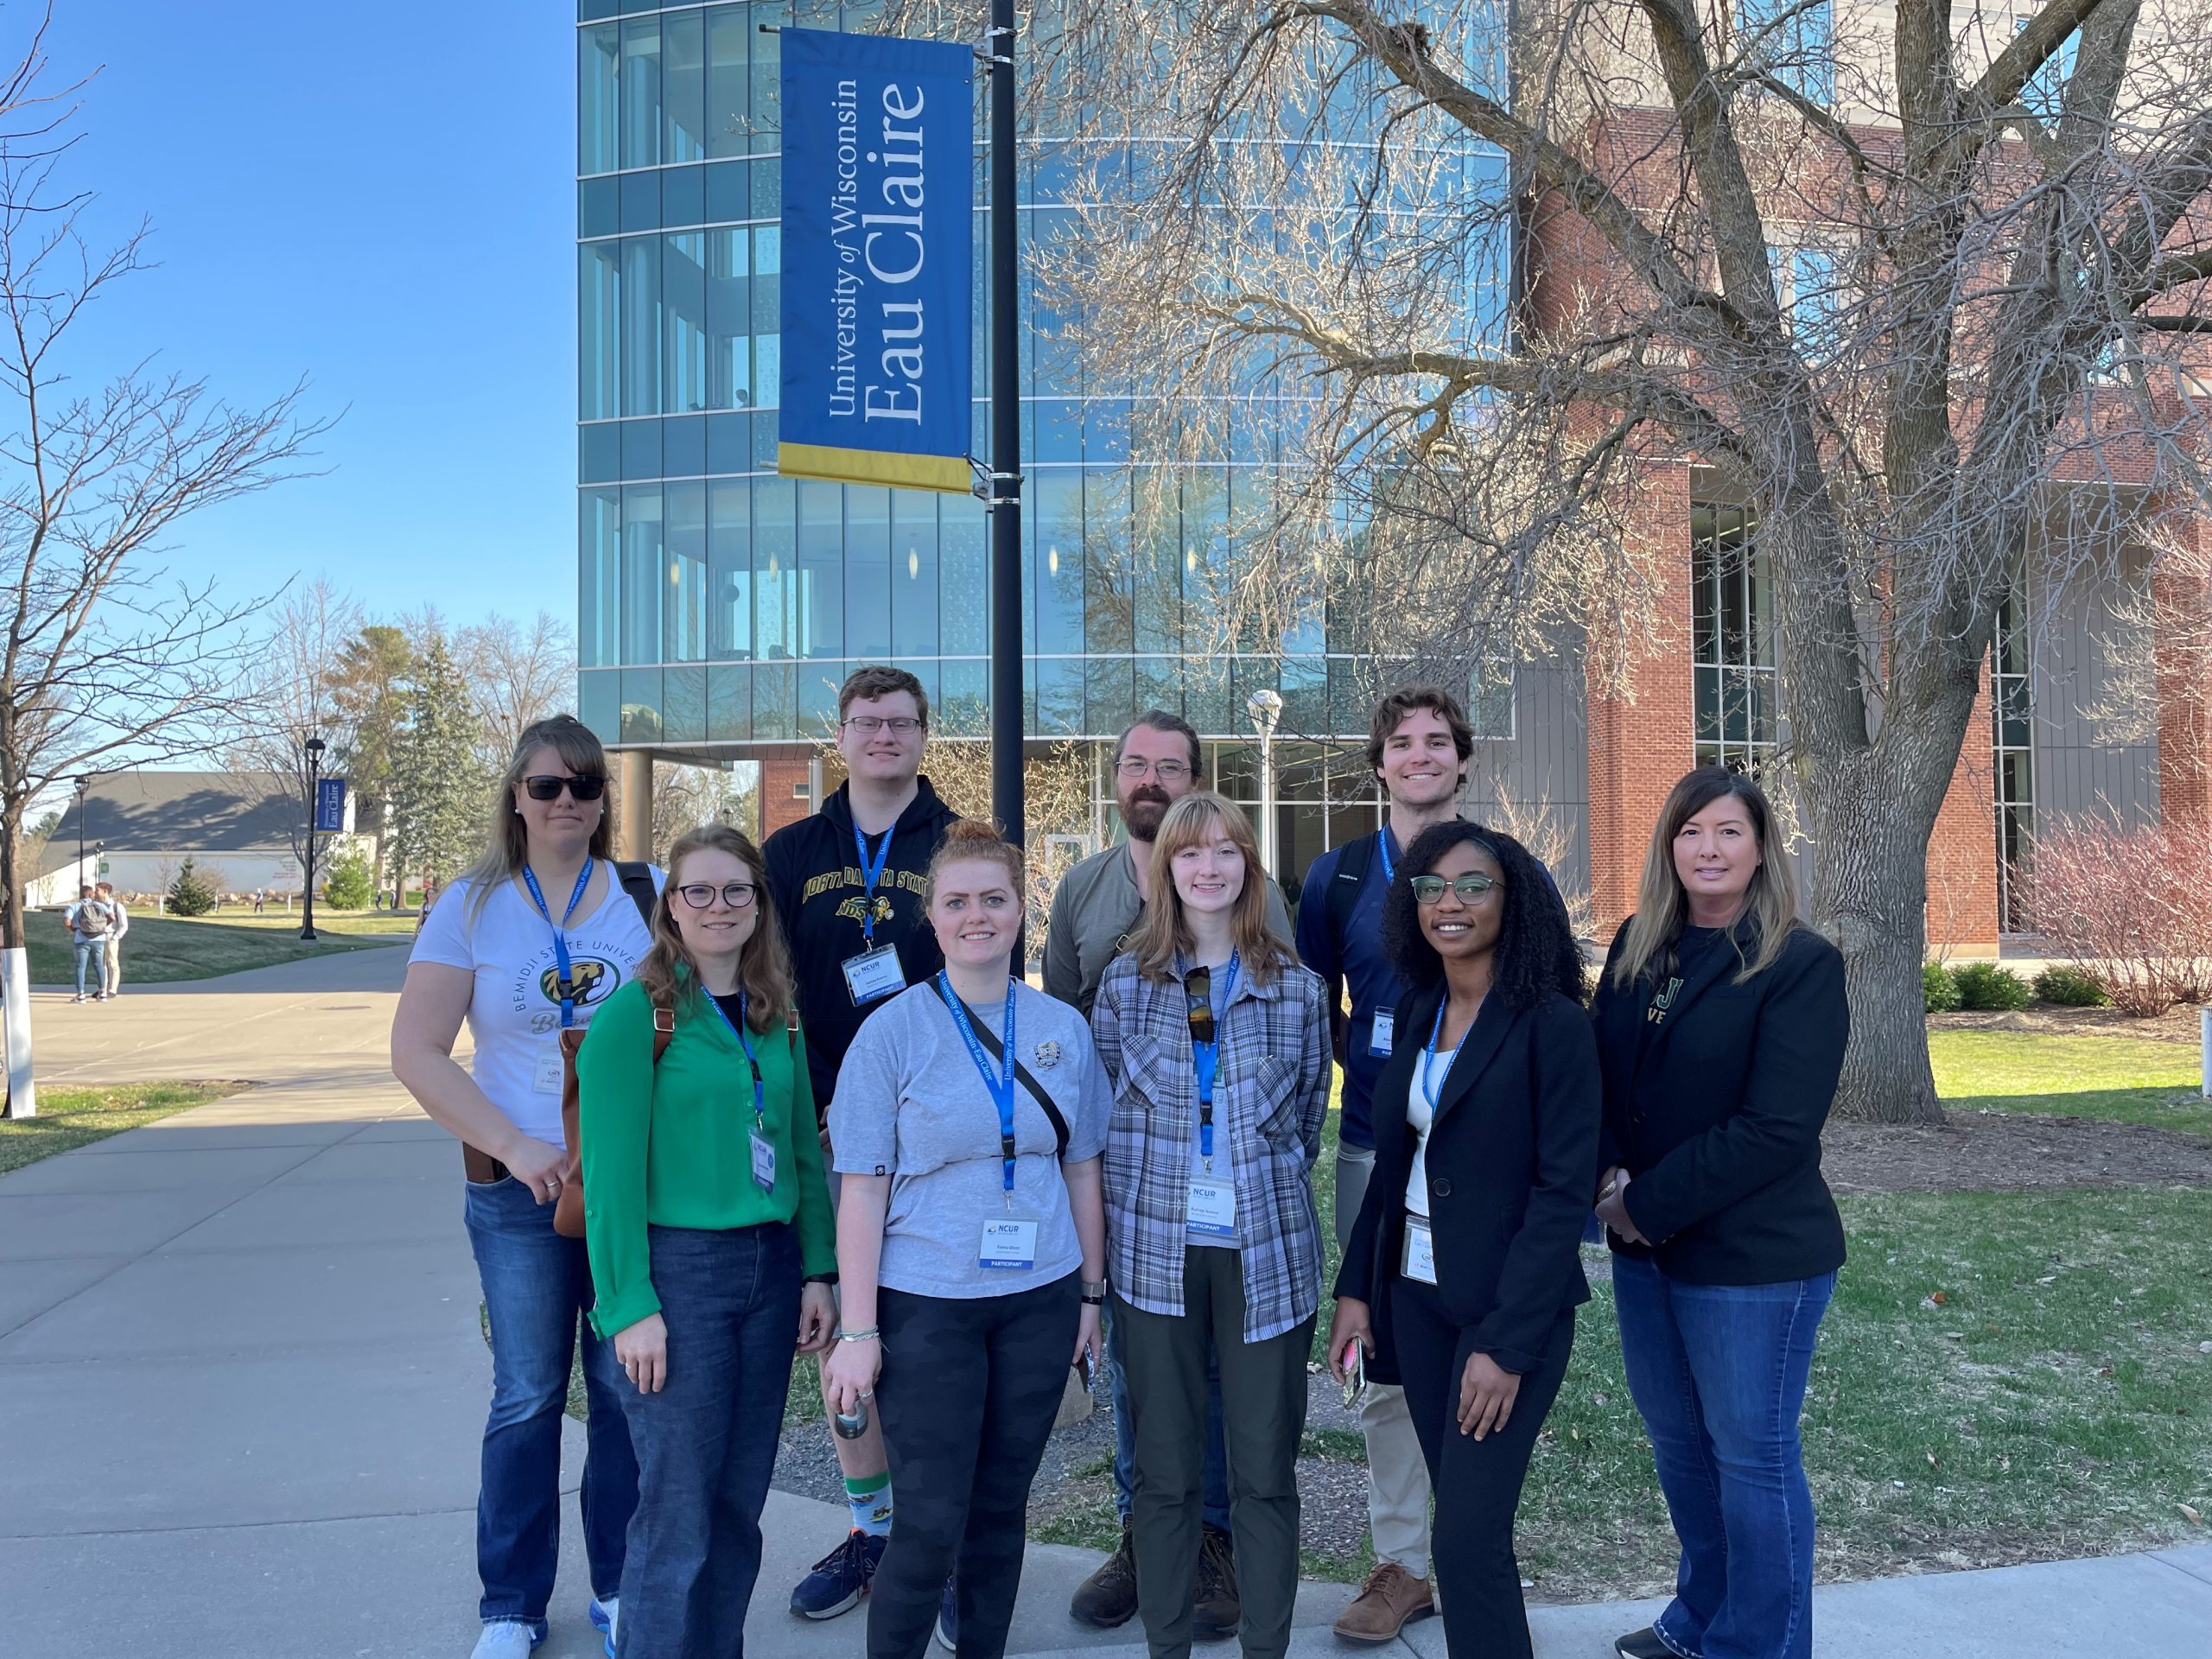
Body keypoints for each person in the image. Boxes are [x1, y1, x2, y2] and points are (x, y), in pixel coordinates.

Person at [390, 715, 661, 1659]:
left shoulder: (646, 895)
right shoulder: (471, 904)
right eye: (546, 786)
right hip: (519, 1196)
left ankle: (622, 1589)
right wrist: (509, 1144)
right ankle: (509, 1603)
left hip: (628, 1189)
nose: (566, 803)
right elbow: (416, 1052)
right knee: (527, 1396)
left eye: (584, 786)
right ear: (515, 795)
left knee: (628, 1390)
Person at [823, 819, 1109, 1659]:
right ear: (933, 918)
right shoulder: (892, 1034)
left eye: (994, 898)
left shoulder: (1063, 1029)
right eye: (958, 901)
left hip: (1040, 1299)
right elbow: (862, 1191)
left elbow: (1083, 1166)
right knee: (929, 1520)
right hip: (926, 1305)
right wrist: (858, 1328)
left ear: (1021, 911)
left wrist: (1090, 1296)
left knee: (998, 1512)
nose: (976, 915)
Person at [1588, 766, 1847, 1659]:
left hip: (1753, 1261)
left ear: (1761, 848)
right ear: (1668, 846)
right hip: (1646, 1255)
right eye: (1691, 831)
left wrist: (1640, 1205)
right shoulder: (1638, 948)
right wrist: (1602, 1182)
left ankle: (1758, 1643)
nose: (1708, 848)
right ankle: (1700, 1616)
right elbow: (1597, 1083)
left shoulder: (1797, 963)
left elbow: (1774, 1129)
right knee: (1681, 1450)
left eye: (1729, 832)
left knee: (1750, 1458)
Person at [1326, 822, 1599, 1659]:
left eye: (1473, 886)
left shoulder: (1551, 1024)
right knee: (1471, 1536)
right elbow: (1392, 1162)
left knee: (1465, 1541)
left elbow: (1562, 1198)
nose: (1451, 904)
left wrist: (1507, 1346)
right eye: (1432, 888)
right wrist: (1355, 1289)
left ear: (1510, 899)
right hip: (1415, 1300)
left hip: (1502, 1314)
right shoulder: (1419, 1008)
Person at [1047, 711, 1292, 1636]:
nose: (1150, 781)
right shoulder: (1081, 891)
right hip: (1132, 1188)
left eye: (1171, 768)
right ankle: (1144, 1535)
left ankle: (1216, 1541)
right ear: (1116, 779)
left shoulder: (1259, 900)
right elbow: (1074, 1045)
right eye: (1135, 766)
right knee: (1142, 1380)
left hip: (1236, 1198)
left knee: (1229, 1380)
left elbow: (1296, 1070)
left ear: (1196, 780)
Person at [576, 823, 839, 1659]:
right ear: (671, 909)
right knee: (676, 1510)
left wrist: (818, 1272)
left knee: (737, 1507)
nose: (719, 907)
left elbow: (800, 1149)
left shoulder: (778, 1014)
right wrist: (628, 1307)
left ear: (760, 905)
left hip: (771, 1273)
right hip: (679, 1275)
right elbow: (609, 1180)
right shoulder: (636, 1018)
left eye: (738, 891)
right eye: (699, 891)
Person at [1092, 791, 1329, 1659]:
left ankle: (1265, 1646)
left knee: (1263, 1475)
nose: (1208, 867)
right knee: (1164, 1476)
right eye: (1190, 853)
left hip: (1263, 1259)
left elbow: (1306, 1123)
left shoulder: (1298, 992)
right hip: (1153, 1257)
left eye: (1227, 850)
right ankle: (1166, 1648)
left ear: (1249, 867)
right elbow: (1105, 1120)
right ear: (1166, 870)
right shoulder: (1124, 986)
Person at [763, 664, 961, 1622]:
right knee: (840, 1337)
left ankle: (935, 1542)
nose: (883, 736)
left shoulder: (962, 843)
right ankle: (872, 1529)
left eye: (899, 722)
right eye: (865, 721)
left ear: (925, 735)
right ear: (838, 735)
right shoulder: (792, 848)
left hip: (933, 1132)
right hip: (828, 1130)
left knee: (925, 1333)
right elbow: (762, 988)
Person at [1293, 687, 1472, 1641]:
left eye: (1436, 742)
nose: (1418, 756)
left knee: (1476, 1344)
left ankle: (1473, 1549)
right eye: (1401, 743)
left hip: (1478, 1156)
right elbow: (1314, 1003)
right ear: (1378, 764)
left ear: (1460, 759)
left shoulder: (1499, 871)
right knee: (1385, 1353)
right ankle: (1401, 1561)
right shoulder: (1337, 877)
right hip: (1371, 1144)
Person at [65, 883, 111, 1004]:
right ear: (91, 894)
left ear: (80, 895)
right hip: (99, 939)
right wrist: (102, 927)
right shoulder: (100, 905)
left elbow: (67, 921)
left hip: (81, 940)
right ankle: (103, 993)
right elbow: (112, 917)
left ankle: (81, 995)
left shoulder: (76, 906)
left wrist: (73, 930)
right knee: (99, 966)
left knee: (81, 967)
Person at [97, 882, 129, 1000]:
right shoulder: (98, 905)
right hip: (99, 936)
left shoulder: (116, 906)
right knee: (101, 964)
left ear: (105, 891)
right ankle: (103, 989)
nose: (96, 893)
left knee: (113, 963)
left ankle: (112, 989)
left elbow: (124, 925)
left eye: (98, 891)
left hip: (111, 936)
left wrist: (115, 937)